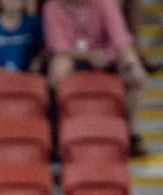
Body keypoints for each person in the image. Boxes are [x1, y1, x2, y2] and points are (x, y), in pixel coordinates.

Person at [42, 0, 147, 156]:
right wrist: (88, 56)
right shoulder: (52, 7)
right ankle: (57, 133)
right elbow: (58, 46)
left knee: (133, 68)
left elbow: (120, 39)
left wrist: (122, 59)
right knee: (58, 67)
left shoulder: (104, 3)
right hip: (74, 56)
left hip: (106, 54)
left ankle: (131, 133)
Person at [0, 0, 44, 74]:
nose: (12, 1)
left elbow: (46, 49)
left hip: (27, 76)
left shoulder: (33, 23)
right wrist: (1, 71)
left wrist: (38, 61)